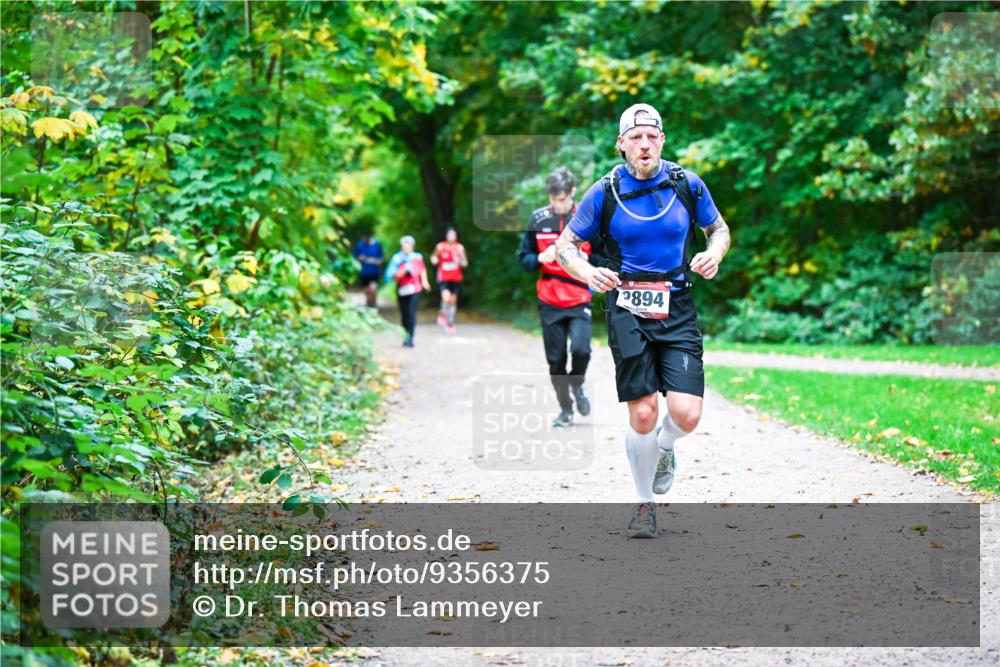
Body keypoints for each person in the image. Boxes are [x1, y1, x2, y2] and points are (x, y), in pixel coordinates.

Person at [554, 103, 731, 538]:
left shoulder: (687, 184)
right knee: (645, 411)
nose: (645, 144)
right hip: (626, 307)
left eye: (652, 136)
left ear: (663, 140)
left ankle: (666, 448)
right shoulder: (605, 191)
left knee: (686, 414)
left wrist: (713, 254)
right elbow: (565, 247)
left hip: (678, 304)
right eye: (636, 137)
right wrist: (587, 273)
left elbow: (719, 230)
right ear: (622, 144)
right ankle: (643, 504)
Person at [518, 167, 593, 428]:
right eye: (553, 199)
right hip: (549, 299)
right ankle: (565, 409)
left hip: (579, 296)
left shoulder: (587, 217)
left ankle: (577, 384)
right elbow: (524, 259)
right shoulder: (538, 220)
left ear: (572, 192)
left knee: (582, 350)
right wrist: (540, 257)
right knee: (556, 360)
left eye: (562, 199)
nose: (558, 205)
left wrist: (587, 258)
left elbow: (608, 256)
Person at [385, 235, 431, 348]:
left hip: (415, 289)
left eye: (408, 245)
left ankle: (410, 338)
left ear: (412, 246)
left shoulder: (417, 257)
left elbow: (422, 270)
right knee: (404, 314)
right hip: (402, 289)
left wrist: (425, 282)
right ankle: (405, 336)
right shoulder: (397, 259)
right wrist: (403, 271)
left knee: (411, 313)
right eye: (405, 245)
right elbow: (391, 276)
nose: (406, 248)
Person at [430, 227, 468, 335]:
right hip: (444, 277)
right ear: (446, 236)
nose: (451, 237)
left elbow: (465, 263)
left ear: (456, 236)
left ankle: (450, 323)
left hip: (456, 278)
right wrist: (434, 260)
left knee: (452, 301)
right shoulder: (441, 246)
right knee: (446, 298)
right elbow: (433, 257)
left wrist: (460, 261)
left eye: (453, 235)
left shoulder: (459, 248)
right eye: (449, 235)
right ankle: (442, 313)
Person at [352, 230, 384, 309]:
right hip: (364, 273)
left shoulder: (377, 245)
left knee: (373, 290)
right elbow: (354, 258)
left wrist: (376, 261)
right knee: (367, 292)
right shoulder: (360, 245)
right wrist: (360, 259)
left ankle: (373, 306)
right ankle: (369, 307)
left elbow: (382, 259)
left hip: (374, 272)